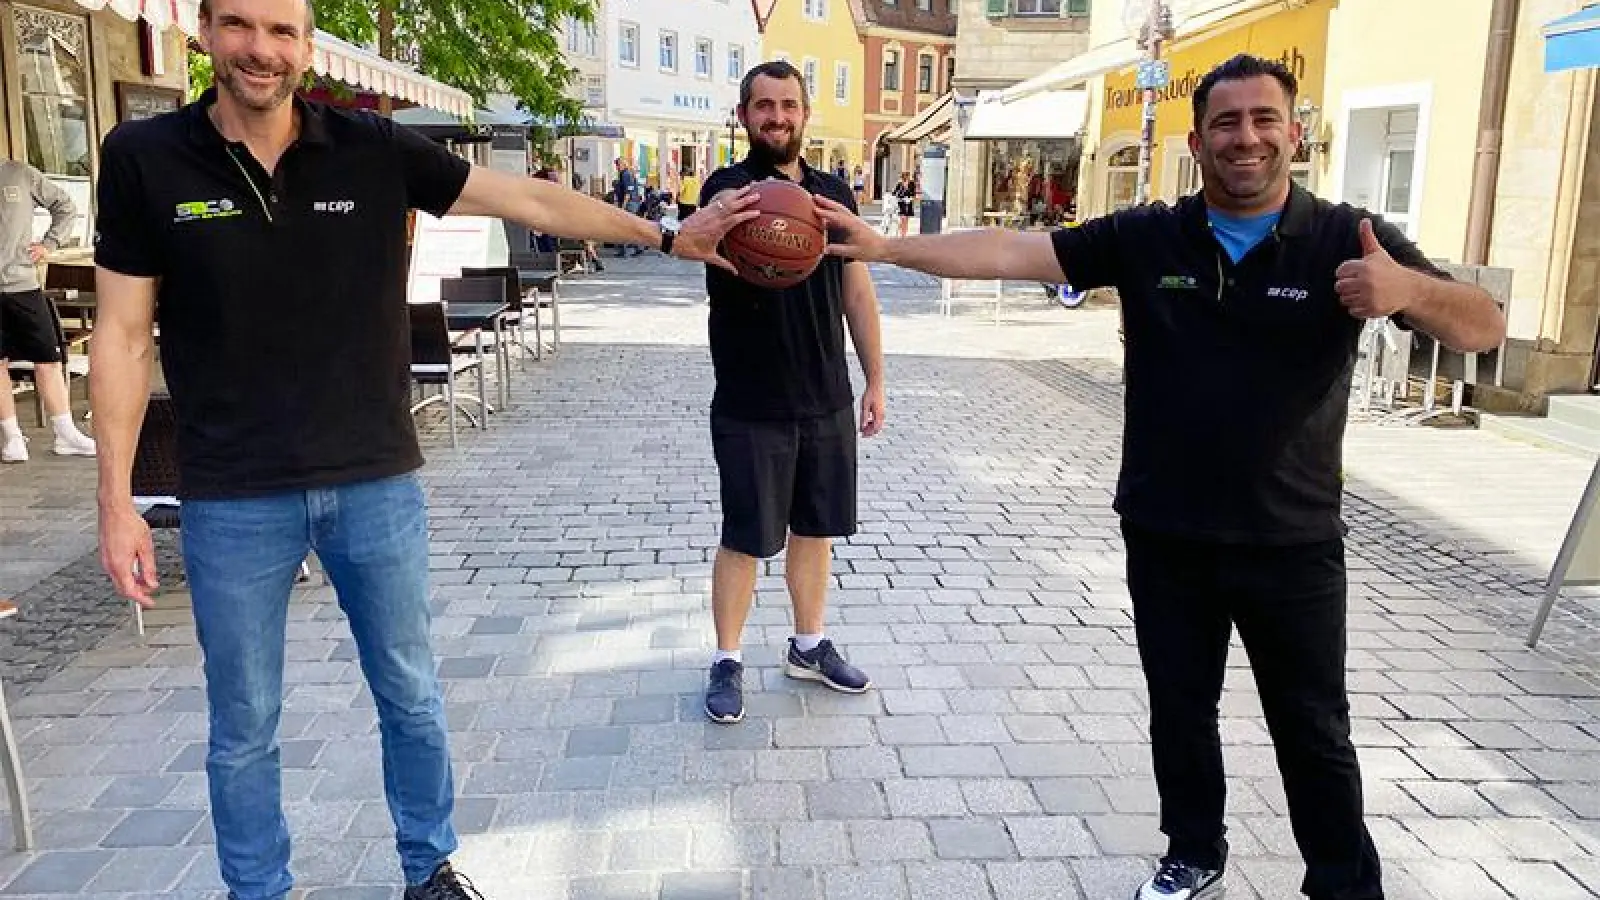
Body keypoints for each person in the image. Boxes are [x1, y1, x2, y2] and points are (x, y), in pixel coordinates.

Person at [89, 1, 757, 898]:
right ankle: (258, 890)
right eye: (241, 25)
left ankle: (428, 867)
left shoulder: (370, 147)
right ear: (203, 30)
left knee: (409, 691)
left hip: (374, 478)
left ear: (307, 45)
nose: (262, 50)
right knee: (243, 719)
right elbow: (123, 336)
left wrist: (667, 234)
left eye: (283, 31)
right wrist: (115, 500)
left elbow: (525, 196)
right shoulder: (144, 159)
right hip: (232, 492)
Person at [816, 54, 1506, 900]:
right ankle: (1194, 849)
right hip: (1168, 529)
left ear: (1295, 132)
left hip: (1292, 542)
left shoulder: (1345, 236)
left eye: (1263, 120)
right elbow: (1014, 250)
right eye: (1226, 122)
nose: (1245, 137)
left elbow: (1484, 326)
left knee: (1315, 729)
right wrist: (888, 247)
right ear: (1198, 138)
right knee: (1180, 710)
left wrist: (1406, 290)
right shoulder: (1151, 236)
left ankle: (1341, 881)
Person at [697, 60, 887, 725]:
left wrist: (876, 378)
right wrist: (717, 218)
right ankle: (727, 659)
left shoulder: (836, 195)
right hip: (752, 399)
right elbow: (703, 238)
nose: (777, 117)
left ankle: (808, 645)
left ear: (805, 114)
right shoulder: (728, 188)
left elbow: (856, 291)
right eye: (764, 106)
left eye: (789, 105)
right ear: (744, 116)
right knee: (746, 536)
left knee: (816, 529)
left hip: (826, 395)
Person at [0, 158, 97, 463]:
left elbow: (65, 206)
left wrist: (49, 244)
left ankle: (65, 434)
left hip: (22, 285)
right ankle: (13, 438)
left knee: (49, 359)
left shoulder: (18, 173)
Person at [891, 170, 916, 238]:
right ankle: (901, 234)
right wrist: (900, 195)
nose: (906, 179)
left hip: (908, 203)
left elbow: (913, 194)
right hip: (901, 203)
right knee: (902, 219)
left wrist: (910, 198)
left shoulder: (912, 183)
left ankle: (904, 234)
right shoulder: (899, 184)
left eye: (907, 177)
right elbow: (893, 193)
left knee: (906, 220)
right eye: (904, 177)